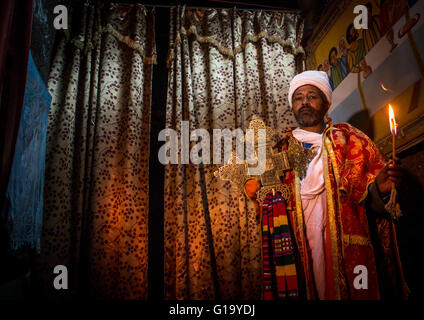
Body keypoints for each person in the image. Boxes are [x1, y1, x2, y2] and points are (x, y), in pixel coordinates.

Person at [245, 70, 408, 300]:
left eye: (312, 96)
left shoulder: (350, 138)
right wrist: (256, 195)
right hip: (296, 237)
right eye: (298, 98)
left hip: (342, 237)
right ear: (292, 105)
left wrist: (378, 189)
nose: (304, 102)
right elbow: (268, 204)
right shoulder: (279, 150)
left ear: (325, 102)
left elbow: (366, 192)